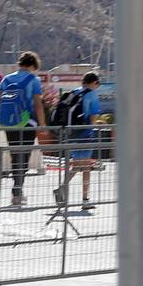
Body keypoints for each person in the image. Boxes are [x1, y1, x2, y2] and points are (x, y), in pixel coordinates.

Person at [0, 51, 47, 207]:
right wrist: (42, 125)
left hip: (8, 123)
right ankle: (17, 192)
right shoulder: (33, 80)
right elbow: (38, 104)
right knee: (24, 157)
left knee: (15, 155)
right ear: (32, 65)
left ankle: (17, 191)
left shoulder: (7, 79)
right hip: (26, 123)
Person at [55, 71, 106, 208]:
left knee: (80, 166)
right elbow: (93, 119)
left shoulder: (75, 91)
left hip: (72, 133)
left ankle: (68, 191)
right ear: (94, 82)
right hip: (85, 134)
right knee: (85, 167)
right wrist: (99, 123)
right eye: (98, 83)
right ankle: (84, 200)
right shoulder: (92, 94)